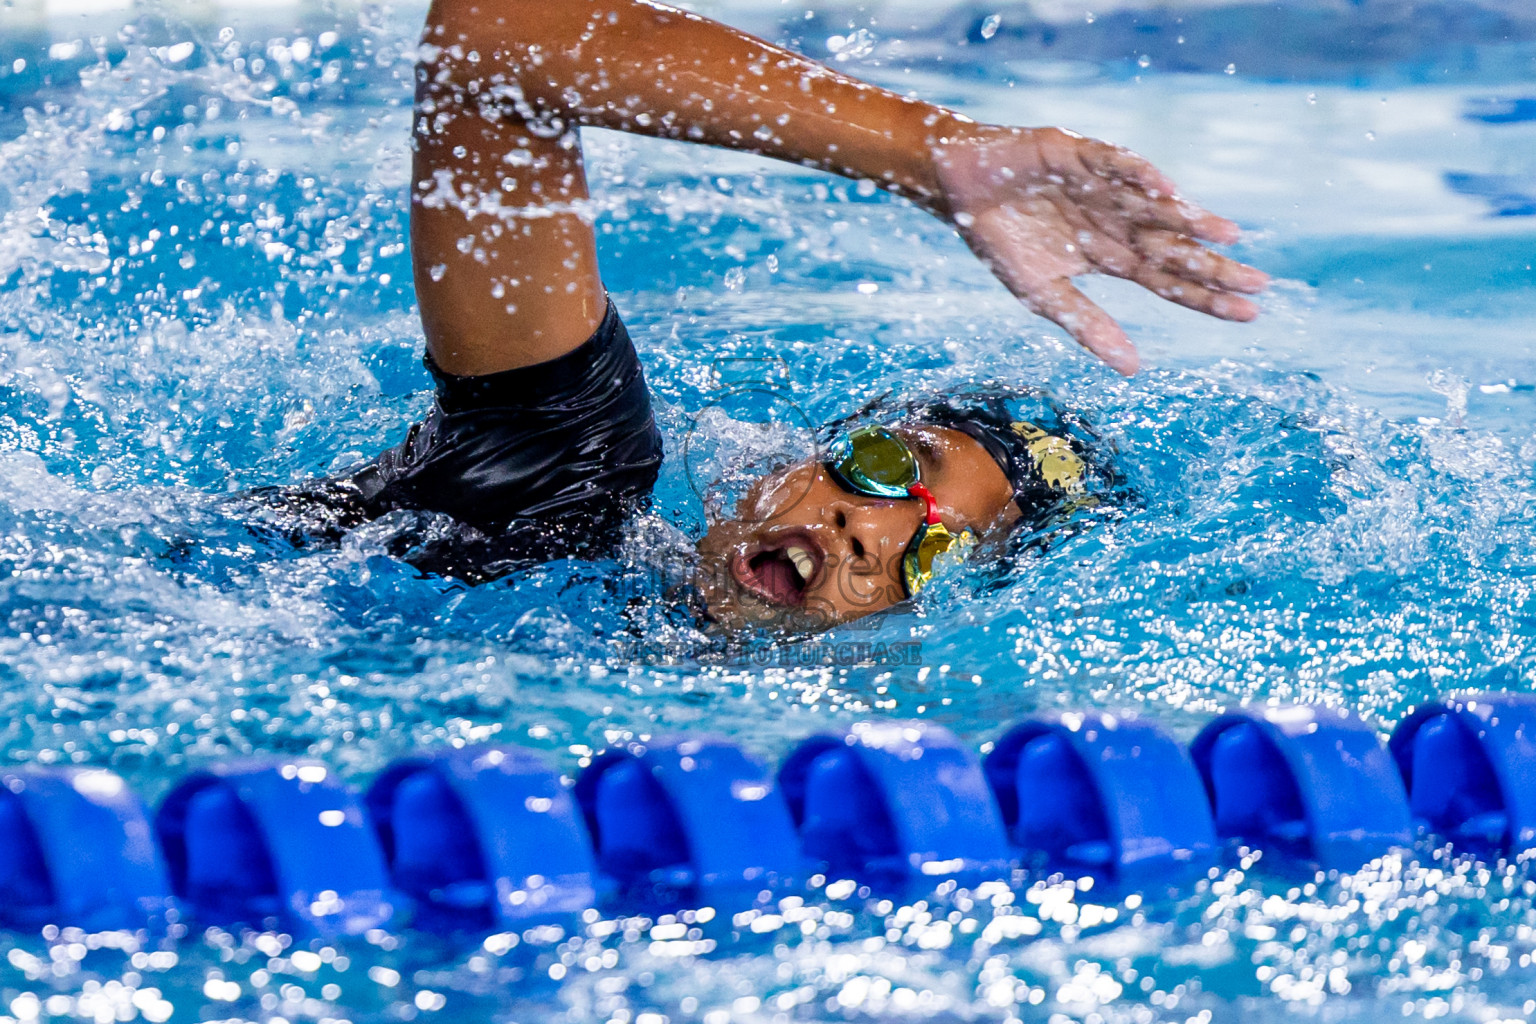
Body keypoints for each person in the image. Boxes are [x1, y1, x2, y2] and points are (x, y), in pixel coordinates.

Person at [266, 0, 1268, 633]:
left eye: (933, 550)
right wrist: (929, 152)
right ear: (780, 463)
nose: (868, 527)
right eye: (885, 465)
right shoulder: (554, 488)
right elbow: (496, 42)